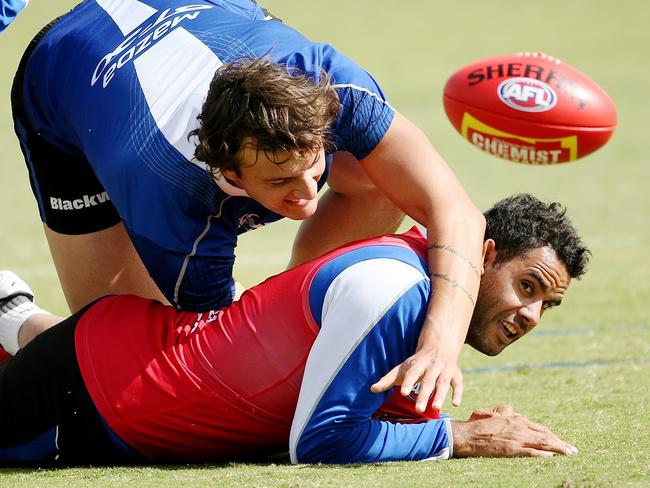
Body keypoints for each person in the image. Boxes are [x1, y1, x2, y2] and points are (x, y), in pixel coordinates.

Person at [10, 0, 486, 410]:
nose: (306, 198)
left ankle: (307, 311)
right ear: (230, 174)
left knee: (381, 177)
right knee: (123, 355)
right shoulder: (172, 190)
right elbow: (214, 353)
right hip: (64, 67)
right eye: (280, 180)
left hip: (204, 9)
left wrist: (440, 345)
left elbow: (456, 212)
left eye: (314, 164)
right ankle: (12, 315)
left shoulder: (336, 87)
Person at [0, 194, 589, 465]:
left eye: (547, 306)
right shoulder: (400, 291)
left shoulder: (418, 281)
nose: (531, 316)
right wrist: (459, 437)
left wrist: (440, 421)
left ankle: (10, 309)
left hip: (124, 367)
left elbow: (366, 407)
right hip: (95, 397)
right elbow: (322, 441)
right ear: (483, 255)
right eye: (528, 287)